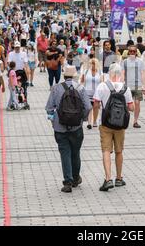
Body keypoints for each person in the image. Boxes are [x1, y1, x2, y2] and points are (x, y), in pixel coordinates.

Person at [45, 65, 92, 193]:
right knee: (75, 153)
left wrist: (53, 119)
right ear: (74, 75)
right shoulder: (80, 88)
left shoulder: (56, 88)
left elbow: (49, 108)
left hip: (60, 128)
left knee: (65, 153)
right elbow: (88, 107)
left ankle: (68, 182)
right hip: (76, 127)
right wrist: (82, 119)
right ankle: (76, 178)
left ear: (64, 75)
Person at [93, 64, 134, 192]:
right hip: (120, 125)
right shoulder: (125, 88)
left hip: (105, 124)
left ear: (109, 73)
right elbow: (131, 107)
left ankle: (108, 179)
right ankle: (119, 178)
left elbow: (95, 104)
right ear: (120, 73)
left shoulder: (102, 86)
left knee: (106, 150)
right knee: (119, 151)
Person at [122, 45, 145, 128]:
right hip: (127, 86)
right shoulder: (125, 62)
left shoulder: (140, 61)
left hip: (138, 85)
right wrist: (121, 83)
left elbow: (143, 74)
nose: (132, 52)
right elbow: (123, 73)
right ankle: (124, 119)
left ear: (136, 52)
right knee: (126, 105)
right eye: (131, 51)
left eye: (134, 51)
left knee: (137, 103)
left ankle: (135, 121)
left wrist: (144, 86)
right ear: (128, 52)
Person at [80, 58, 103, 129]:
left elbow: (102, 82)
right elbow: (82, 81)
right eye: (91, 63)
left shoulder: (100, 72)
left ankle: (95, 121)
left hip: (97, 93)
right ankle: (89, 123)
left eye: (94, 63)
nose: (92, 65)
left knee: (96, 107)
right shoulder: (86, 71)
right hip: (87, 92)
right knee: (89, 107)